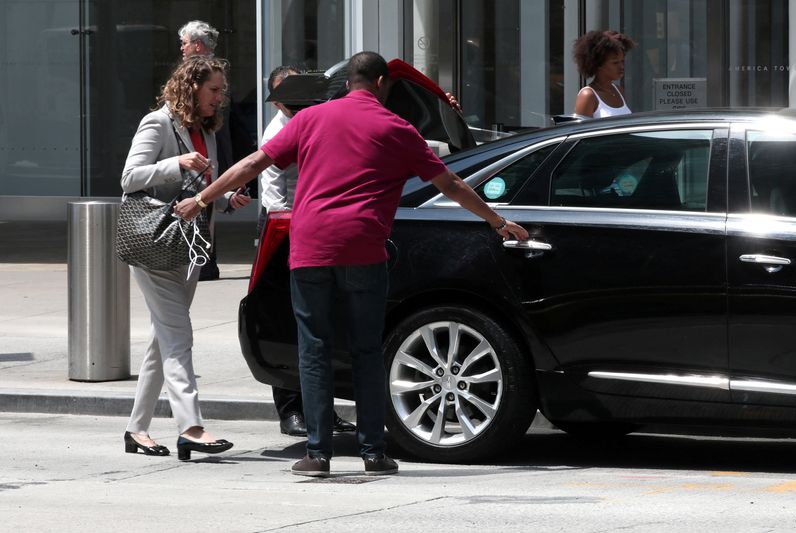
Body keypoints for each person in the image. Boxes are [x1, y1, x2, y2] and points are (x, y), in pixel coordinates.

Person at [175, 51, 528, 477]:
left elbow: (254, 163)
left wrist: (200, 199)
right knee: (366, 349)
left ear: (348, 83)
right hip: (363, 250)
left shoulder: (309, 119)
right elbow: (449, 182)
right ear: (381, 83)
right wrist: (497, 220)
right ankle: (374, 453)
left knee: (315, 349)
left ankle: (319, 455)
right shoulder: (397, 127)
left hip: (311, 249)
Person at [121, 56, 250, 461]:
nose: (220, 97)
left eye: (222, 90)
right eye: (214, 89)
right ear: (191, 87)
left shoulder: (205, 129)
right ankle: (190, 426)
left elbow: (202, 186)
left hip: (190, 247)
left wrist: (226, 198)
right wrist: (174, 162)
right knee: (179, 336)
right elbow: (129, 177)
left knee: (163, 340)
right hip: (154, 244)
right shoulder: (158, 123)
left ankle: (137, 429)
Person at [259, 65, 356, 437]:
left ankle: (322, 410)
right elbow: (273, 197)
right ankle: (290, 411)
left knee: (321, 325)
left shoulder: (315, 119)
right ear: (277, 97)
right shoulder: (277, 131)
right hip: (285, 229)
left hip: (317, 226)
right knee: (286, 322)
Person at [178, 20, 230, 281]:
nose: (182, 48)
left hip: (205, 147)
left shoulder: (208, 73)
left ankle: (205, 263)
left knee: (203, 196)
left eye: (185, 43)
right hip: (197, 152)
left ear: (197, 45)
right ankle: (203, 263)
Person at [573, 30, 636, 118]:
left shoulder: (618, 91)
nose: (621, 67)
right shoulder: (588, 96)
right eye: (615, 63)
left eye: (622, 61)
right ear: (599, 64)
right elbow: (581, 131)